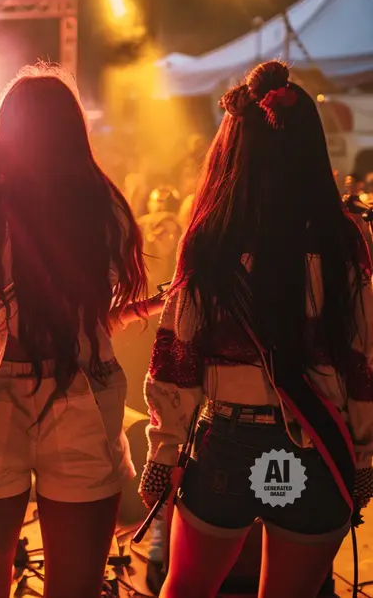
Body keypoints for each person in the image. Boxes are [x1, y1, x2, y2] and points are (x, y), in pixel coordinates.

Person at [139, 61, 373, 598]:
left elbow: (177, 357)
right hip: (314, 440)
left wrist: (164, 452)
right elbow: (364, 360)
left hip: (226, 441)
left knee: (187, 589)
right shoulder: (344, 238)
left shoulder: (210, 235)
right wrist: (363, 457)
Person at [0, 64, 148, 598]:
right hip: (80, 393)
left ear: (5, 131)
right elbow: (98, 304)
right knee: (75, 588)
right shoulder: (106, 208)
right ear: (74, 131)